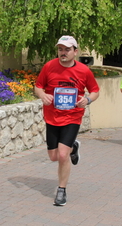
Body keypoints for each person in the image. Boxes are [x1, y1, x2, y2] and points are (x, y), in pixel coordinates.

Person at [35, 35, 100, 206]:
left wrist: (88, 100)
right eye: (60, 49)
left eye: (67, 49)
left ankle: (61, 190)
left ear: (75, 51)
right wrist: (43, 95)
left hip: (72, 117)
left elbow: (95, 91)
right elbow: (38, 86)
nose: (63, 53)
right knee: (53, 157)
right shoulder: (49, 66)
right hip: (52, 116)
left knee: (63, 155)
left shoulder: (84, 71)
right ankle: (74, 147)